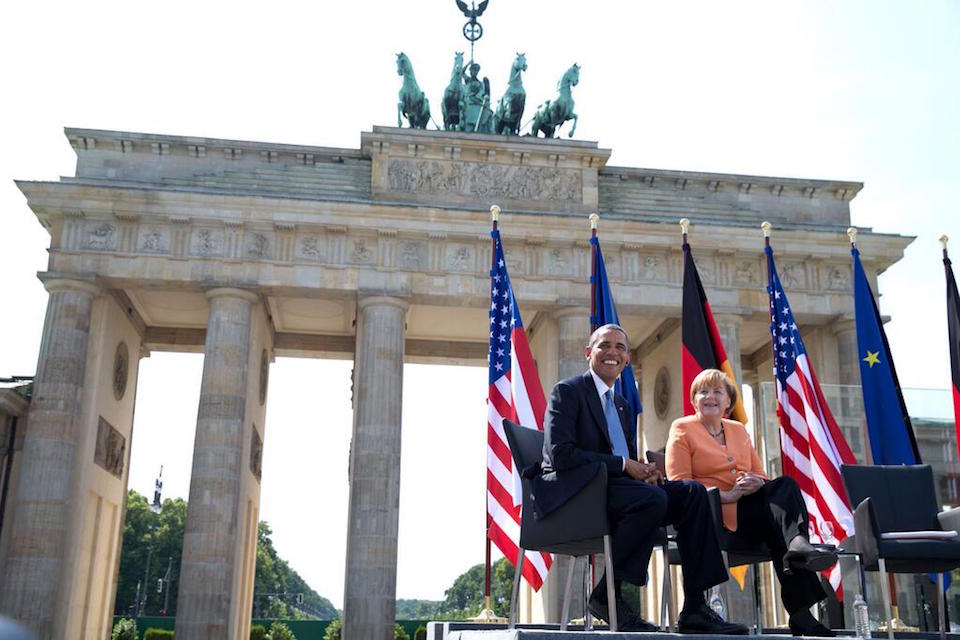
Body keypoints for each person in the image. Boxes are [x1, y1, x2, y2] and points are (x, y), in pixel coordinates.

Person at [537, 324, 748, 634]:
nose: (613, 353)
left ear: (627, 359)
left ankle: (695, 608)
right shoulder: (567, 392)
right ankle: (607, 595)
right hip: (578, 493)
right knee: (651, 499)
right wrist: (626, 466)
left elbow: (629, 465)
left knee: (694, 492)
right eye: (604, 345)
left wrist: (646, 473)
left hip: (622, 492)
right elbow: (561, 455)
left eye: (620, 348)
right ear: (588, 353)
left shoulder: (622, 406)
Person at [666, 368, 838, 637]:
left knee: (785, 486)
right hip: (711, 515)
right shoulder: (682, 428)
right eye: (703, 391)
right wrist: (727, 496)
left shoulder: (738, 430)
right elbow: (680, 485)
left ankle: (798, 549)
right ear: (693, 399)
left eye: (717, 391)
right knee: (778, 527)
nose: (709, 396)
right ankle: (801, 609)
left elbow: (761, 474)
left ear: (728, 402)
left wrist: (757, 482)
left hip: (748, 511)